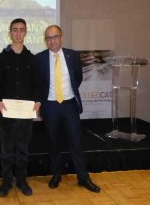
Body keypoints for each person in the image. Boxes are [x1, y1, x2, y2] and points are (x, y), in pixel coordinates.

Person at [36, 25, 101, 193]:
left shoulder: (72, 55)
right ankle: (56, 175)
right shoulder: (39, 58)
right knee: (53, 142)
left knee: (76, 142)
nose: (52, 40)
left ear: (61, 37)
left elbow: (77, 78)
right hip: (50, 106)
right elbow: (38, 84)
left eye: (55, 36)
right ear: (46, 40)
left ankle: (83, 178)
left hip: (69, 105)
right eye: (48, 38)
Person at [0, 18, 41, 197]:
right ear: (10, 32)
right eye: (15, 30)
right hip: (7, 114)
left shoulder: (32, 59)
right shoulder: (1, 58)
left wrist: (38, 101)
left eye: (21, 30)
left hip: (26, 114)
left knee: (23, 150)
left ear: (25, 33)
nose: (18, 33)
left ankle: (21, 181)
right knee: (7, 151)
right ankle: (6, 182)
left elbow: (37, 84)